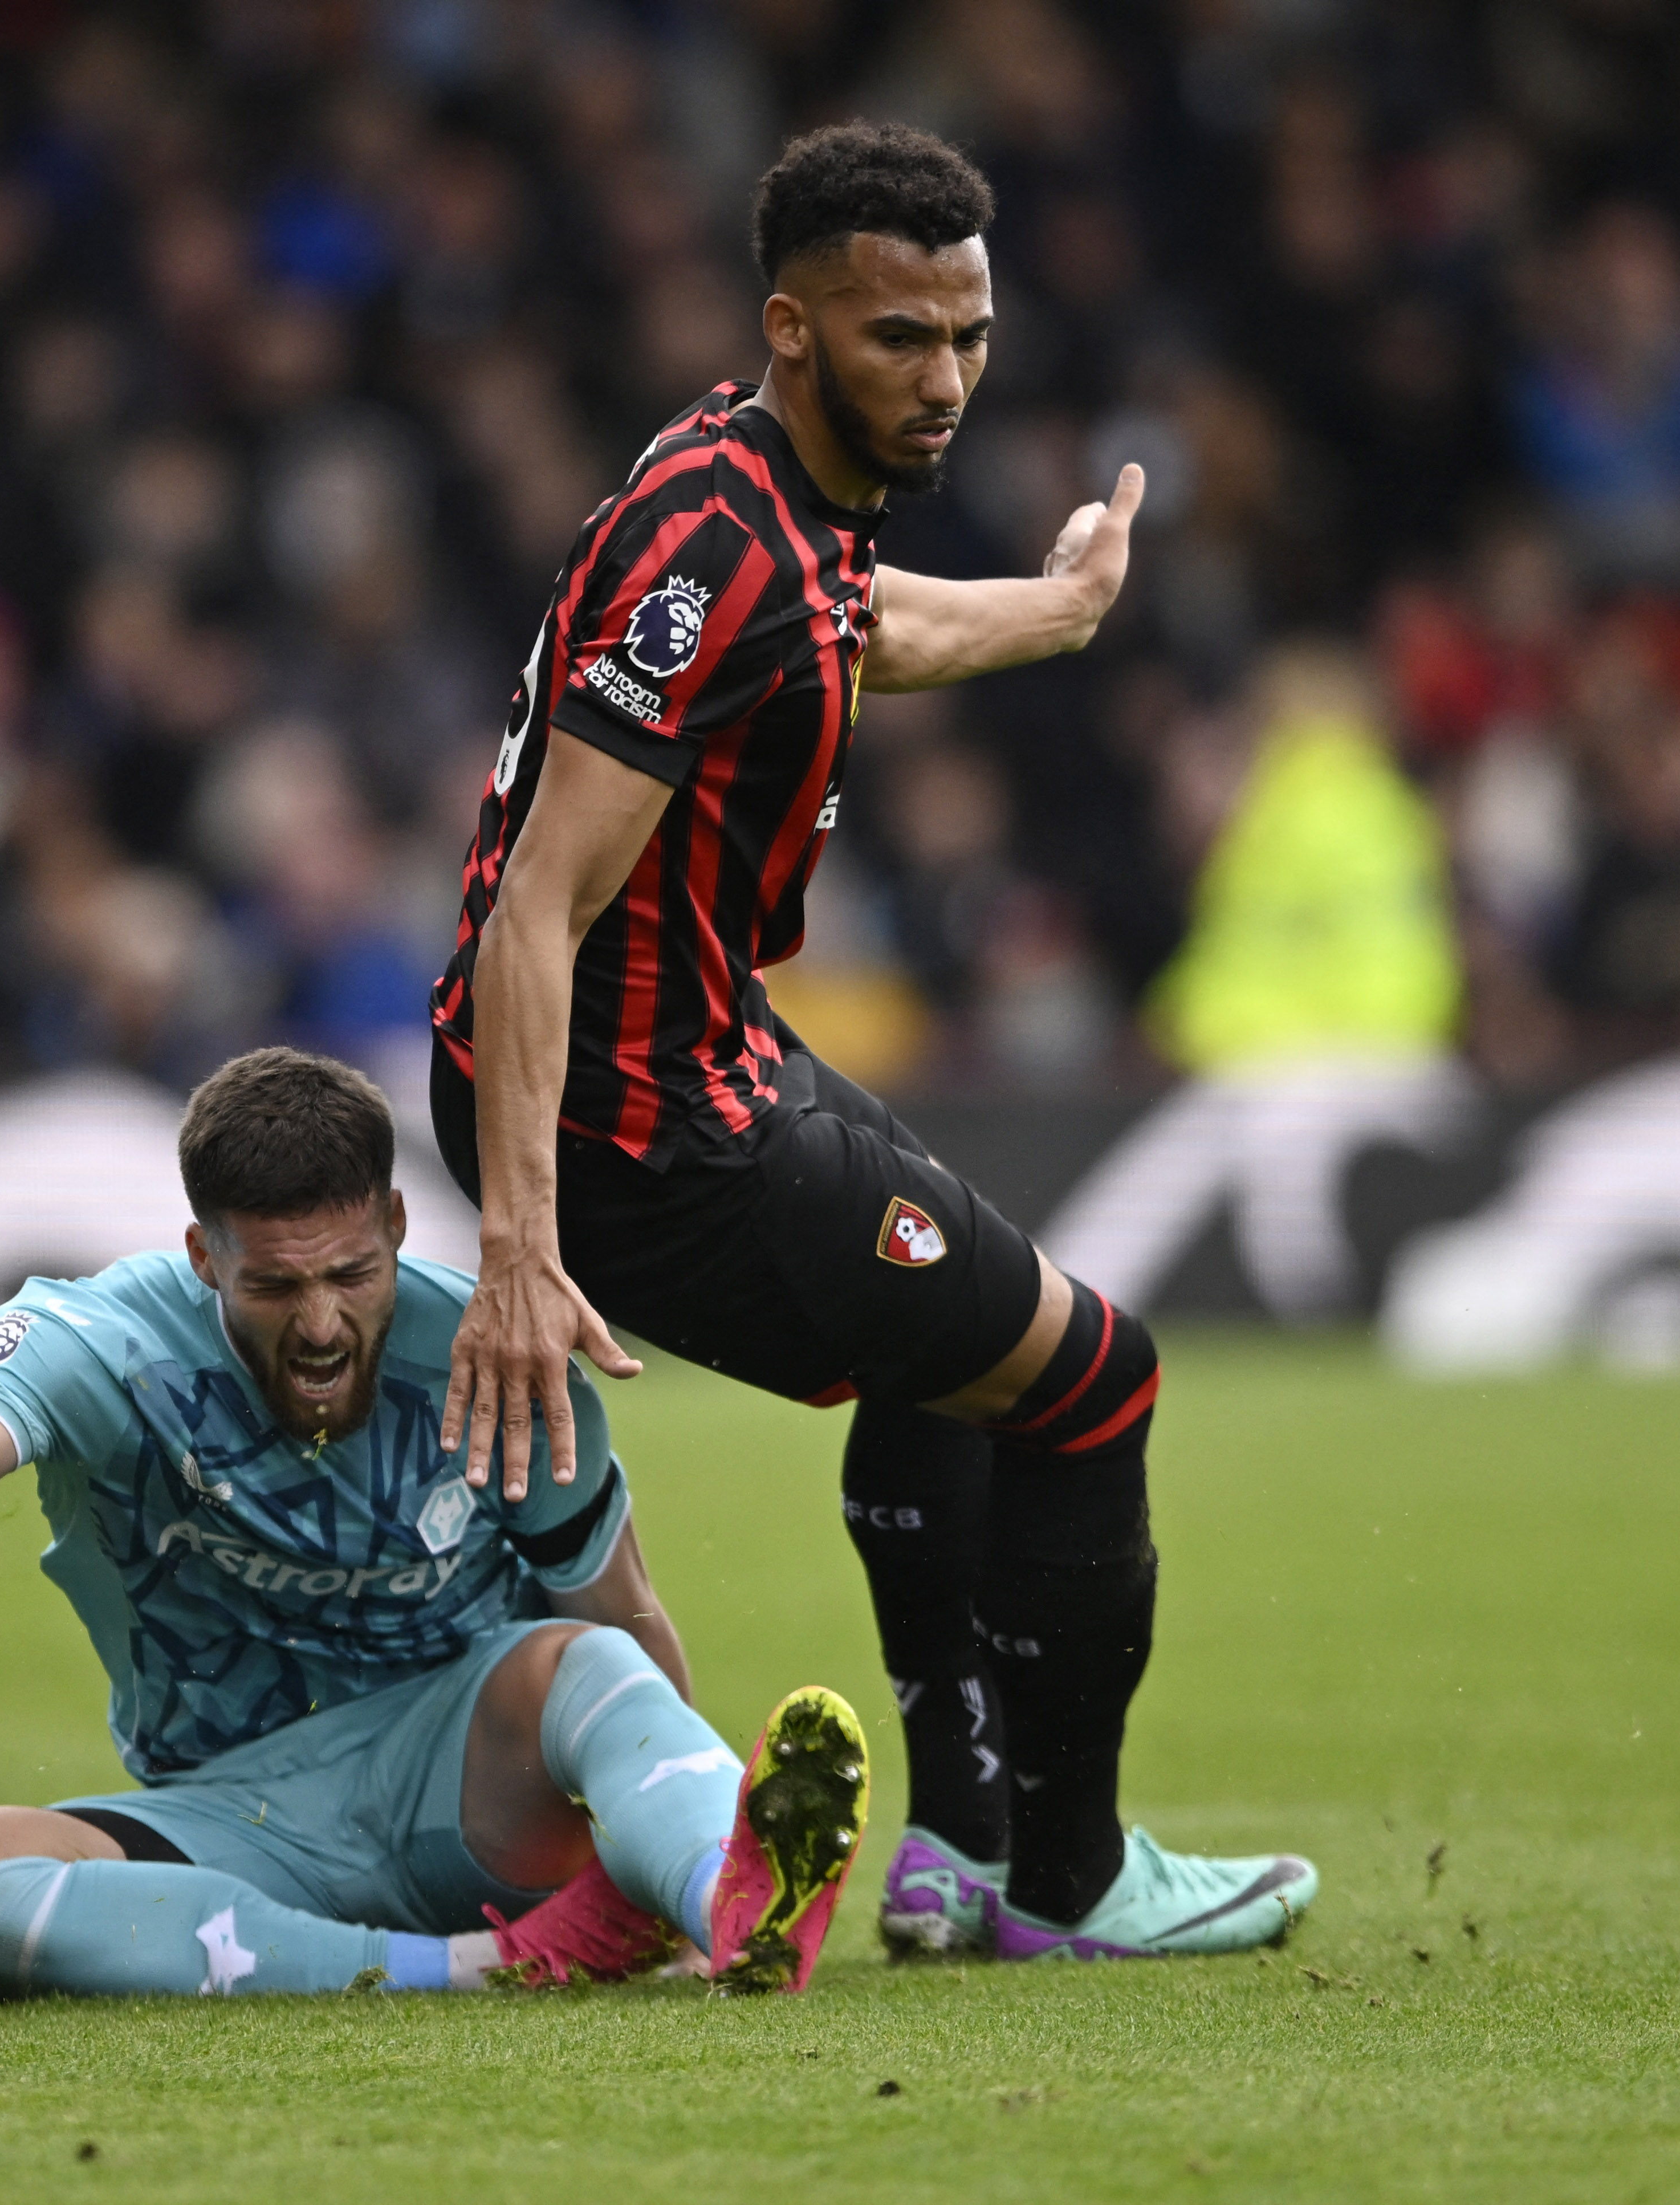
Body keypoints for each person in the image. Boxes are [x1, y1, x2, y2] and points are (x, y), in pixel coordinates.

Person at [429, 123, 1315, 1961]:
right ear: (792, 324)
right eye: (899, 336)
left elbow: (849, 626)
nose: (944, 380)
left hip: (689, 1066)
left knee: (957, 1352)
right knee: (1096, 1378)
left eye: (969, 336)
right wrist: (520, 1248)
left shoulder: (753, 489)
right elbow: (534, 905)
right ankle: (1069, 1880)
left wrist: (1061, 613)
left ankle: (956, 1853)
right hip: (649, 1125)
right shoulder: (711, 552)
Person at [0, 1046, 870, 1997]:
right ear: (202, 1255)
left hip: (478, 1804)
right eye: (274, 1285)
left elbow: (627, 1628)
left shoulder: (494, 1353)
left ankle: (721, 1905)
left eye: (353, 1275)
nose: (320, 1326)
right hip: (234, 1826)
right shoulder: (104, 1344)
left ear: (398, 1228)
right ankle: (495, 1964)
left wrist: (660, 1850)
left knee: (581, 1660)